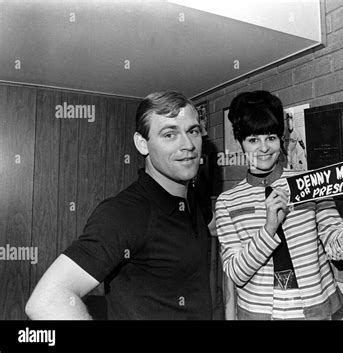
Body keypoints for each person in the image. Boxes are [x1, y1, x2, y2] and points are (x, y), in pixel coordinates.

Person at [25, 91, 213, 320]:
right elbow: (46, 301)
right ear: (142, 144)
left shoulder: (193, 199)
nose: (188, 145)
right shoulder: (125, 213)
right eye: (169, 134)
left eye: (192, 131)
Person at [215, 90, 343, 320]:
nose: (264, 148)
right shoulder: (227, 202)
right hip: (257, 313)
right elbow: (236, 273)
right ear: (240, 143)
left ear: (280, 139)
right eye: (253, 139)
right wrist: (269, 229)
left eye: (271, 137)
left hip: (316, 308)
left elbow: (337, 250)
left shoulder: (309, 183)